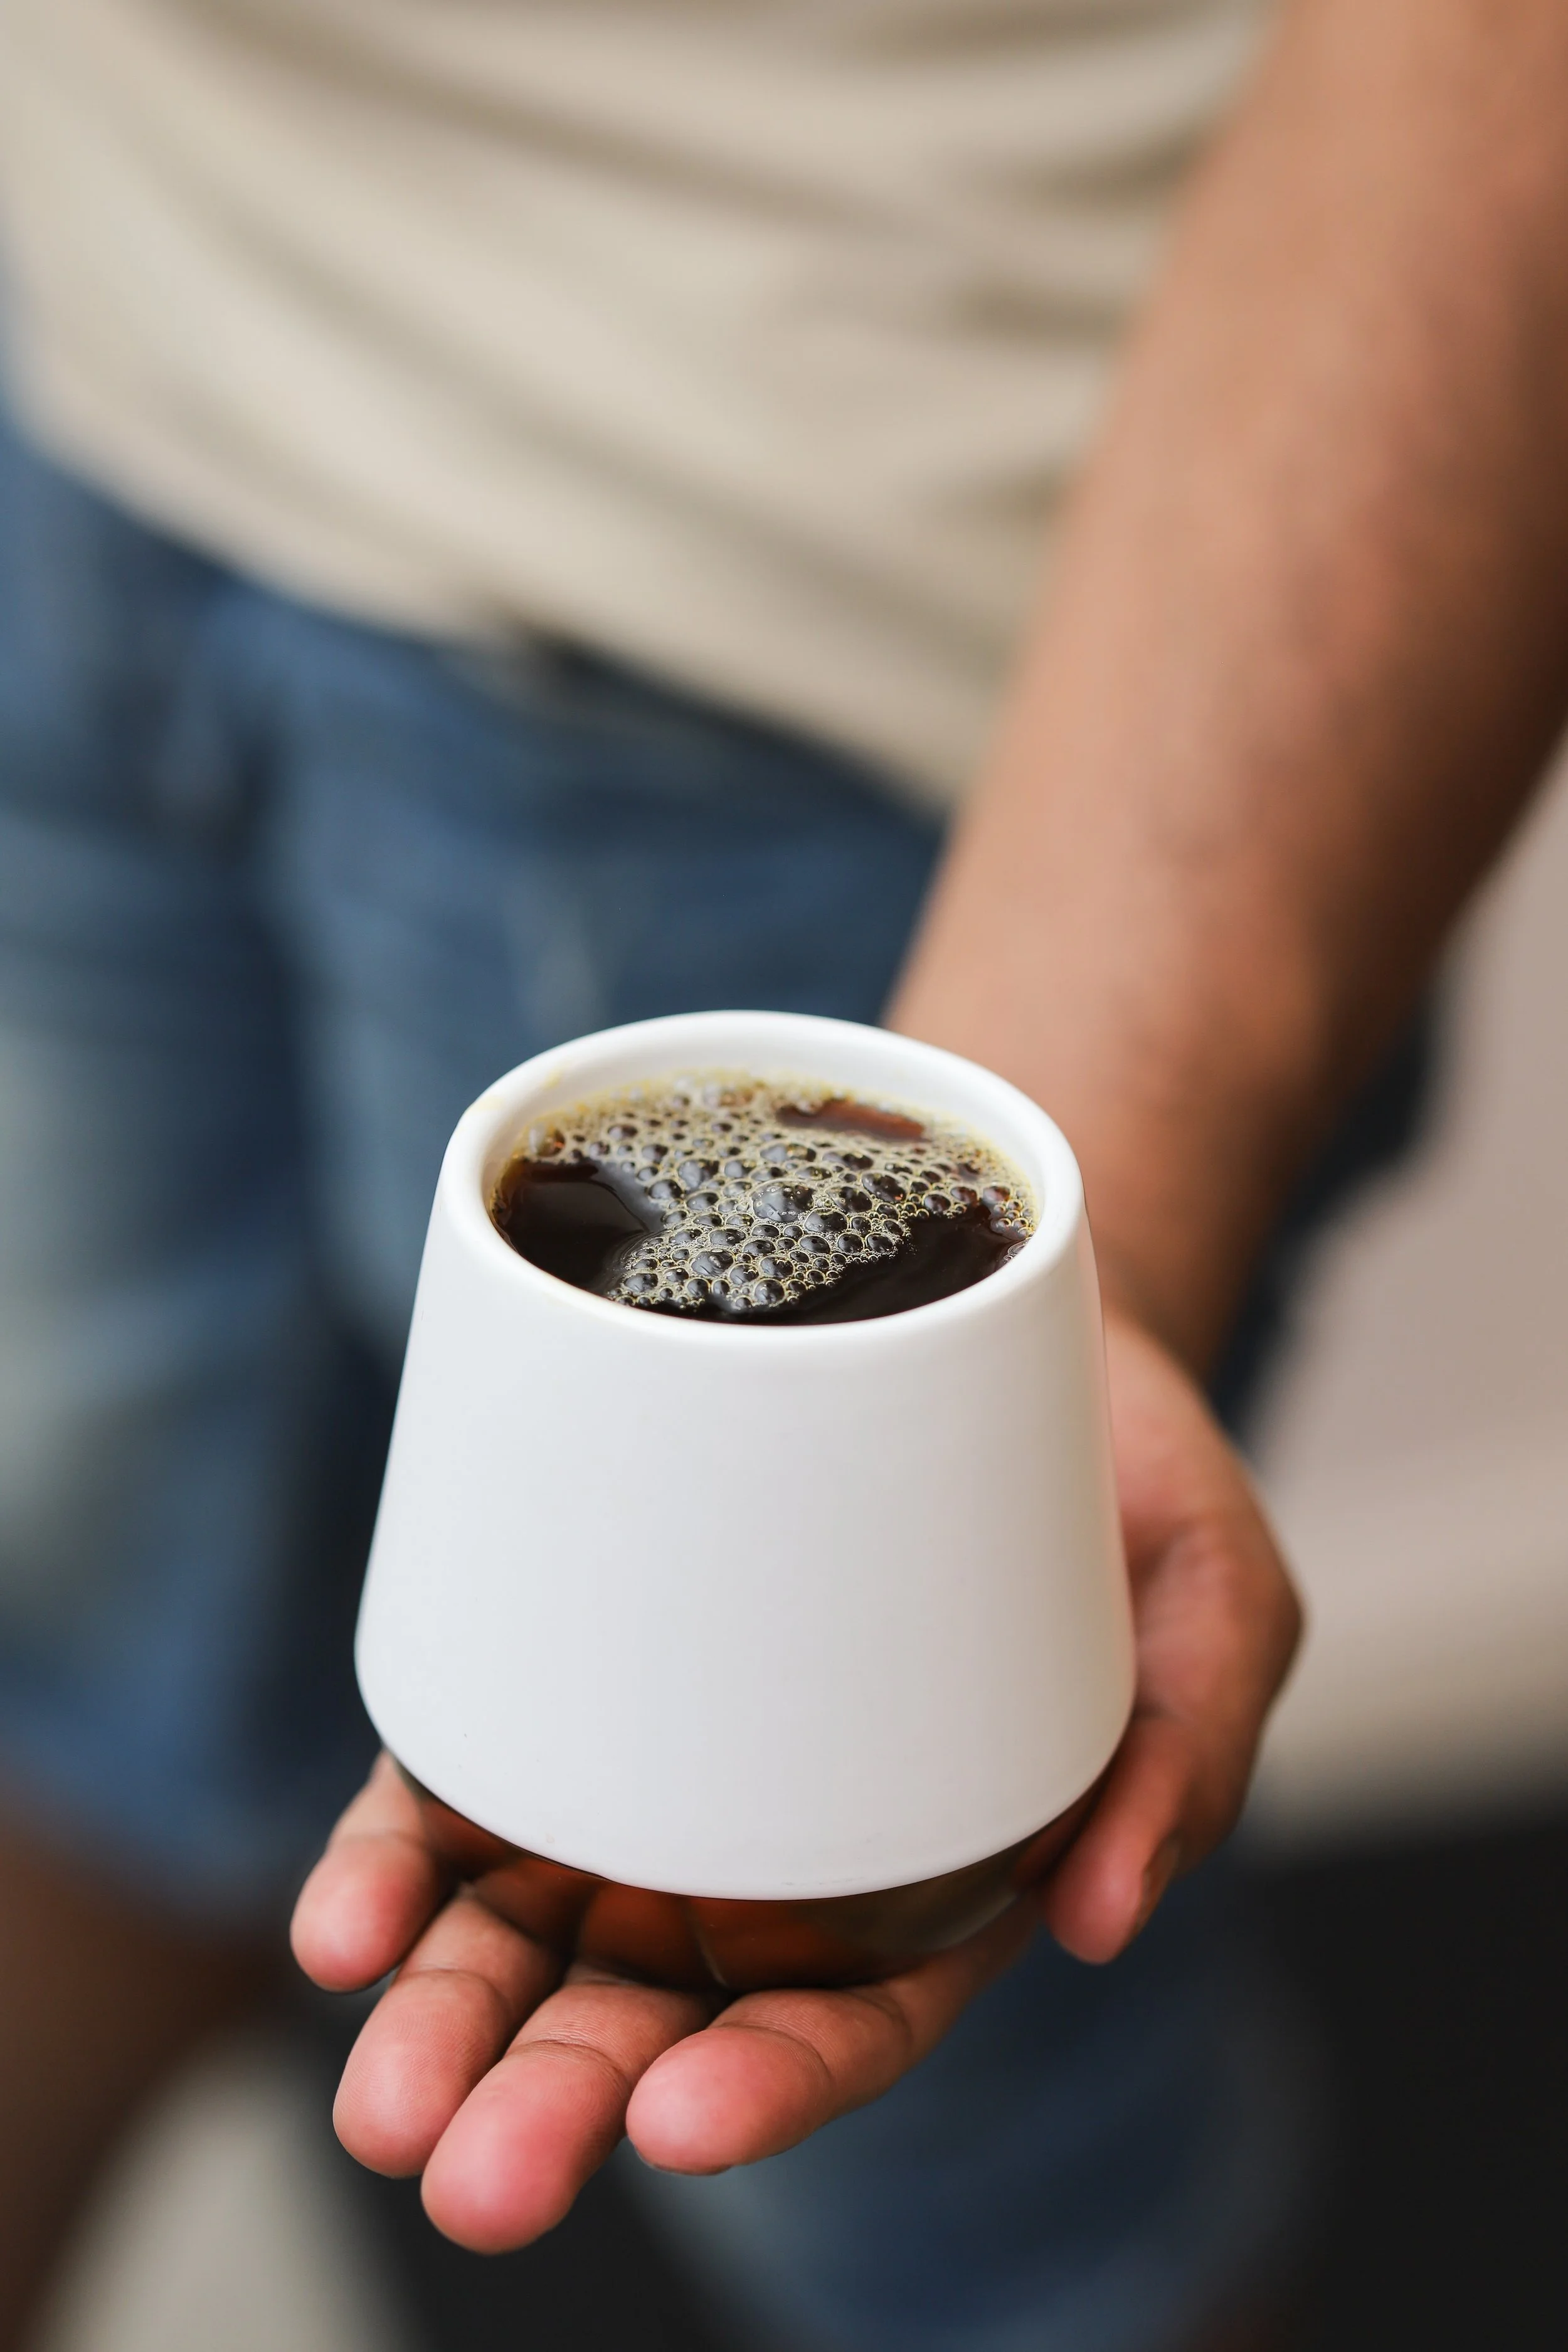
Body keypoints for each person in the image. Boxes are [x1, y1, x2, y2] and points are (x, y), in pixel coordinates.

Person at [3, 3, 1567, 2348]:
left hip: (903, 602)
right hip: (103, 349)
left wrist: (1087, 1208)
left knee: (951, 2160)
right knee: (82, 1676)